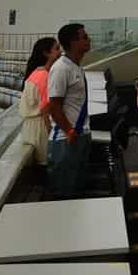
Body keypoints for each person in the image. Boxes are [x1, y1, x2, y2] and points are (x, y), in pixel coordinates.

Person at [46, 22, 93, 196]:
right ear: (73, 43)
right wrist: (69, 130)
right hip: (66, 139)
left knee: (77, 189)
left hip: (79, 136)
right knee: (64, 192)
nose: (89, 40)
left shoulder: (76, 67)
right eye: (84, 37)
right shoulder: (61, 69)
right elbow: (54, 105)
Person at [19, 36, 59, 164]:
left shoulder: (36, 73)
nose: (60, 52)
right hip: (40, 128)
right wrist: (52, 134)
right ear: (46, 53)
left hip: (32, 128)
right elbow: (45, 109)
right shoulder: (44, 76)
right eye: (57, 49)